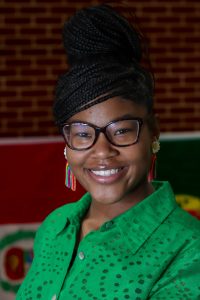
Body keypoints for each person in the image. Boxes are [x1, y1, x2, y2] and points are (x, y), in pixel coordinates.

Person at [16, 4, 200, 300]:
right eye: (82, 134)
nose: (102, 151)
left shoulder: (189, 250)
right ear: (67, 144)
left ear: (154, 132)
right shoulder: (56, 227)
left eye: (122, 130)